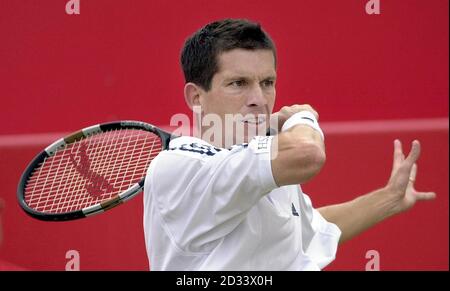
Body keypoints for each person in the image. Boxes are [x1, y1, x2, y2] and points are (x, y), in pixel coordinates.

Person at [143, 19, 436, 270]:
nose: (259, 98)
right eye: (238, 83)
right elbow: (307, 154)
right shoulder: (181, 166)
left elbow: (307, 230)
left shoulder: (264, 159)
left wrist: (389, 199)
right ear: (196, 97)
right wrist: (303, 117)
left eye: (267, 82)